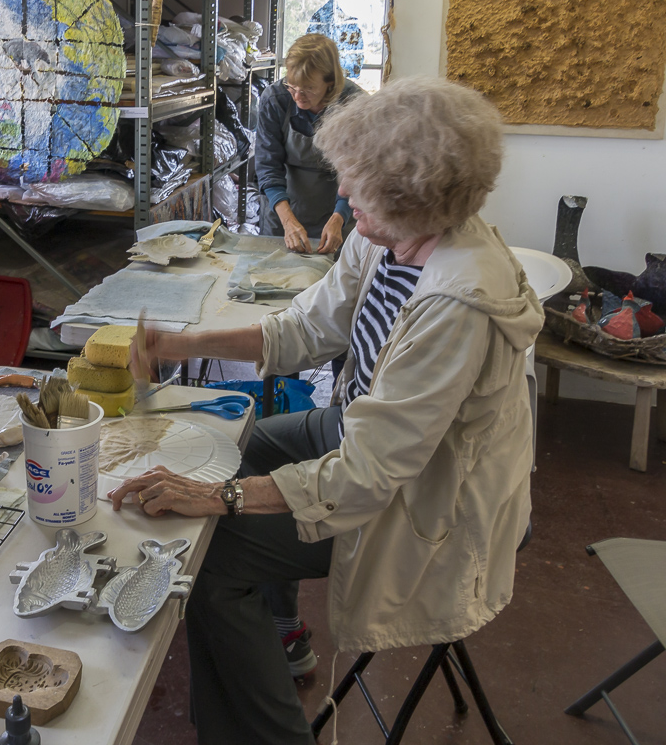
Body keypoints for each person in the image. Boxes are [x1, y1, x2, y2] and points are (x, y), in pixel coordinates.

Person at [110, 76, 543, 744]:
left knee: (210, 558)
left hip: (427, 496)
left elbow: (369, 473)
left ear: (410, 195)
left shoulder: (458, 302)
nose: (341, 193)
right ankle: (277, 634)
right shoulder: (387, 236)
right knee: (245, 444)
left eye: (355, 184)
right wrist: (180, 344)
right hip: (363, 431)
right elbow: (305, 328)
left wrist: (221, 498)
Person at [256, 32, 363, 254]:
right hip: (283, 205)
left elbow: (356, 172)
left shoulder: (354, 105)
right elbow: (268, 166)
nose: (298, 96)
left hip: (338, 204)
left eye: (309, 88)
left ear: (330, 82)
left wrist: (339, 217)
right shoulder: (275, 99)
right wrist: (287, 221)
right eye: (292, 86)